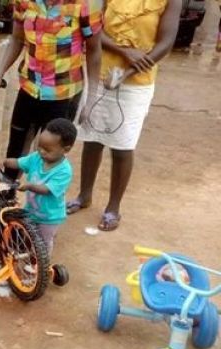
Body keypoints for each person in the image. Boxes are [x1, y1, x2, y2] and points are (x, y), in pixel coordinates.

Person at [66, 0, 181, 231]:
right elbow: (93, 29)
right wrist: (123, 51)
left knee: (123, 145)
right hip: (101, 72)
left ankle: (113, 207)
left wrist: (126, 72)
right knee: (92, 137)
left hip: (136, 82)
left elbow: (165, 44)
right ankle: (84, 195)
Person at [0, 0, 102, 179]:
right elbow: (17, 39)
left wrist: (91, 99)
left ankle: (39, 205)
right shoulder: (23, 2)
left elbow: (94, 51)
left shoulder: (86, 4)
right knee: (15, 150)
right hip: (29, 88)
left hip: (64, 95)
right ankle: (6, 198)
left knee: (49, 159)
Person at [0, 118, 76, 255]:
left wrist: (29, 186)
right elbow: (18, 163)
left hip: (50, 217)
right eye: (40, 146)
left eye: (47, 150)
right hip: (31, 210)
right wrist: (4, 162)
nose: (42, 151)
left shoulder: (64, 171)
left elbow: (47, 189)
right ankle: (28, 254)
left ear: (65, 149)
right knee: (28, 234)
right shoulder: (36, 157)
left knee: (43, 242)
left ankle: (41, 267)